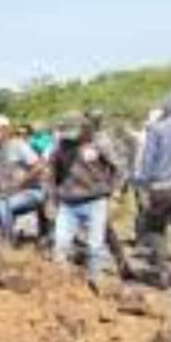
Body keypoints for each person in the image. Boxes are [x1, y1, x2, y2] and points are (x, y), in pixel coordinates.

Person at [49, 112, 121, 288]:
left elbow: (117, 167)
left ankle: (95, 280)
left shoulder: (99, 144)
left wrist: (114, 190)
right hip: (68, 202)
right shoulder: (61, 147)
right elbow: (53, 173)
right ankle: (61, 284)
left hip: (95, 200)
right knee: (61, 243)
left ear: (84, 129)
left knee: (95, 245)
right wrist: (52, 198)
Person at [135, 88, 171, 287]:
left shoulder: (157, 129)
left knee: (156, 227)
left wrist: (142, 182)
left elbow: (148, 162)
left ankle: (162, 271)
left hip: (162, 187)